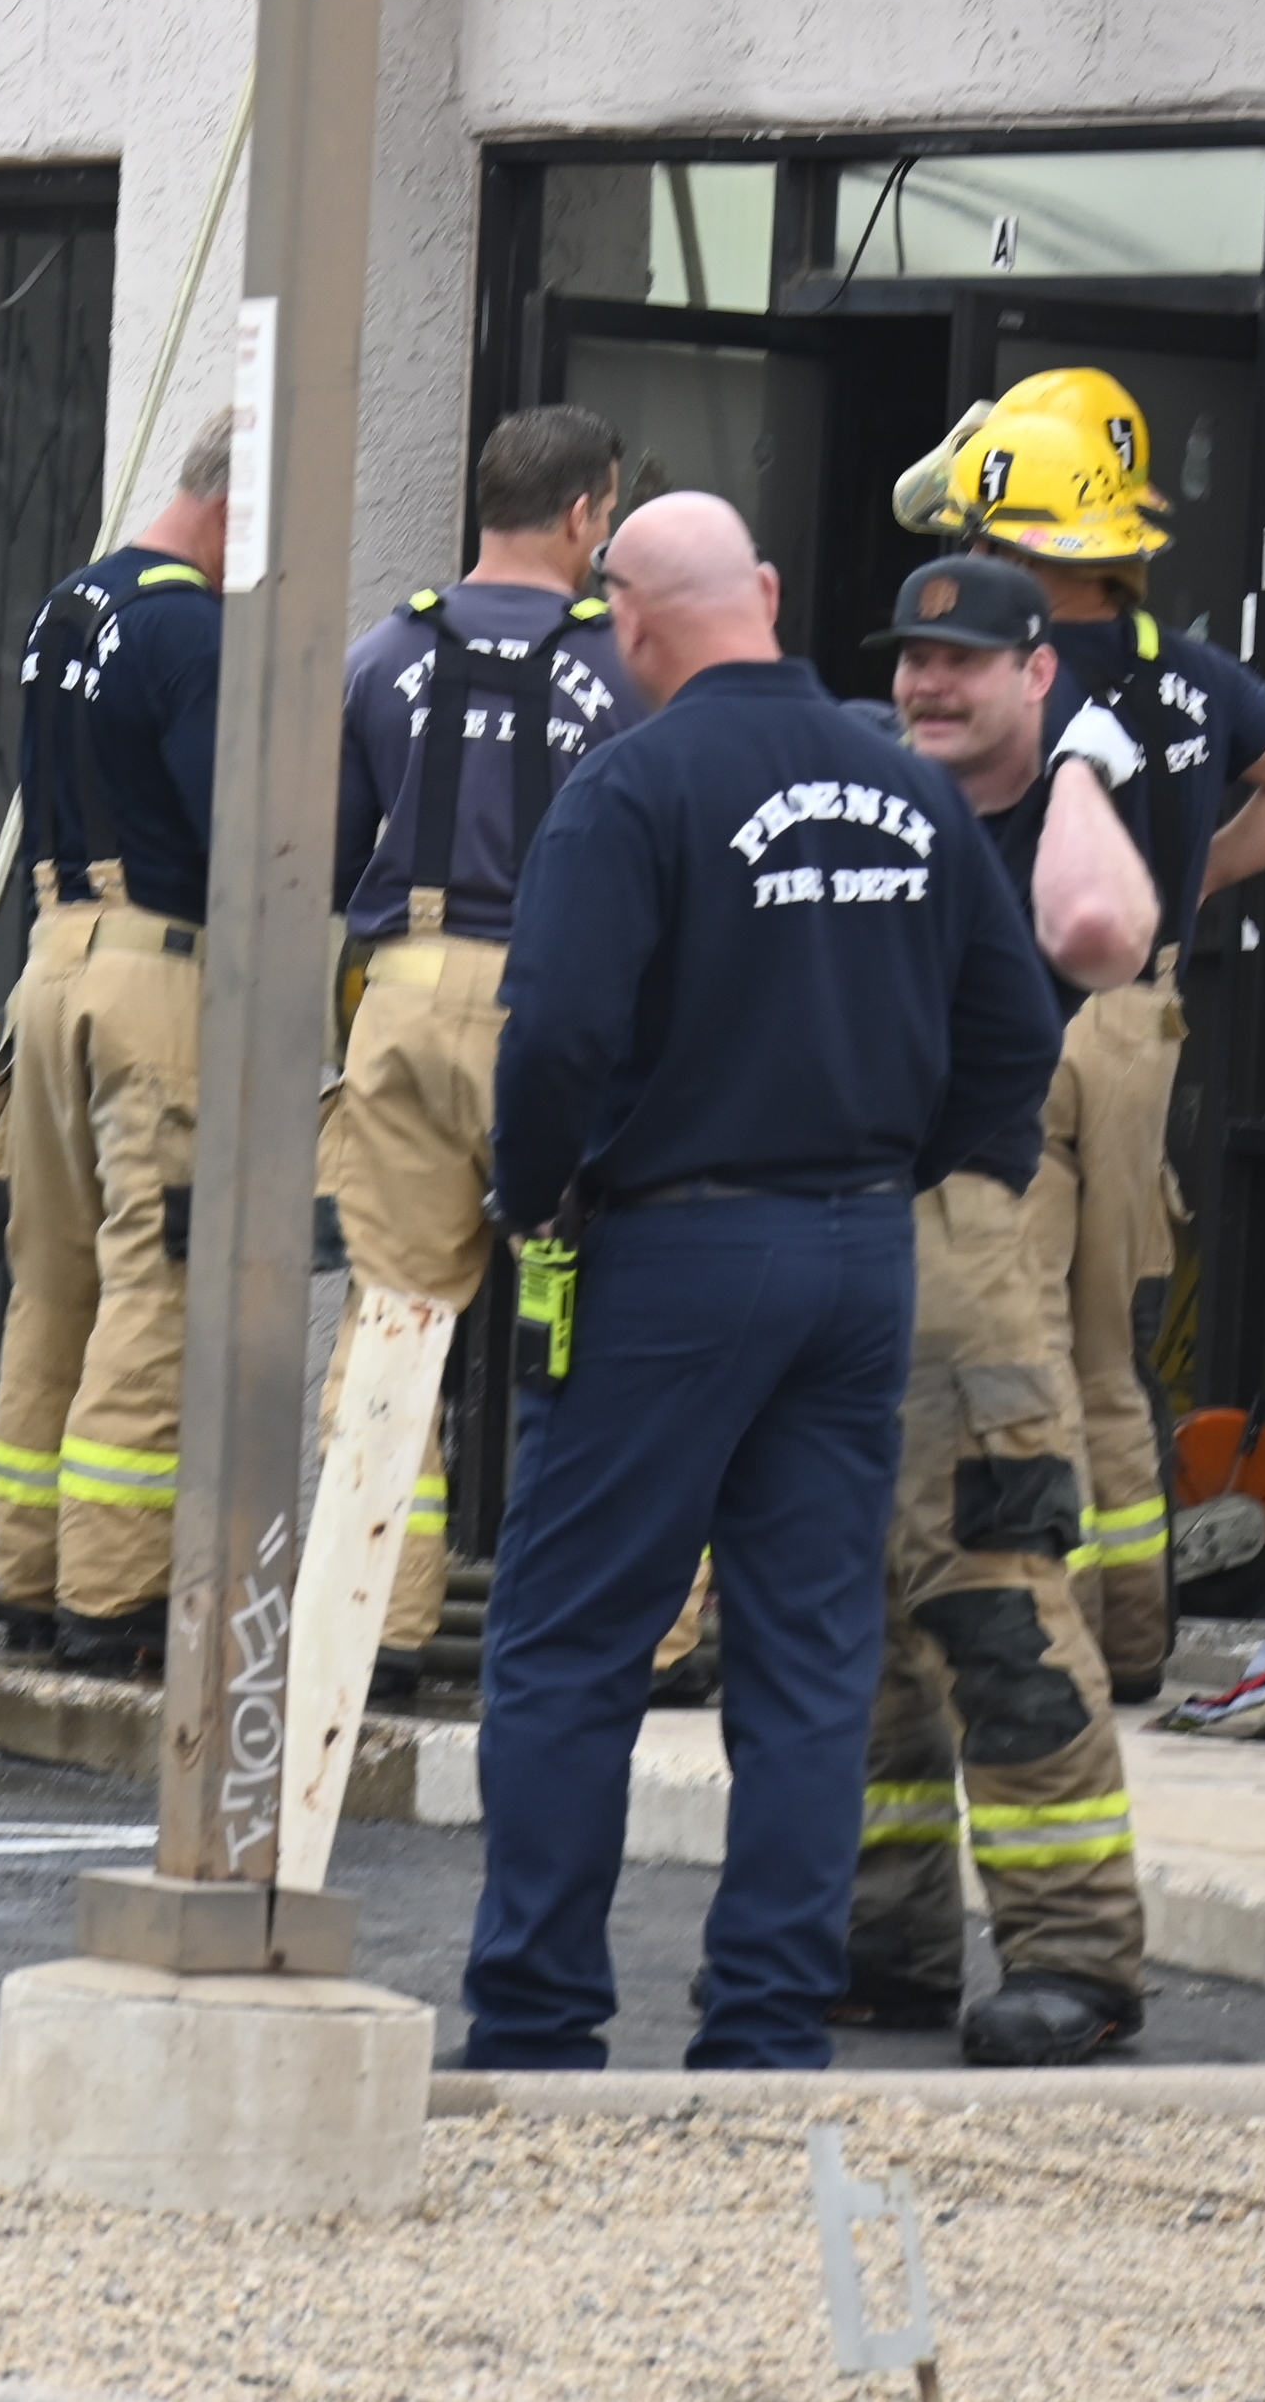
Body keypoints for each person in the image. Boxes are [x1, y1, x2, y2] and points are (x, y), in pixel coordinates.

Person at [460, 493, 1062, 2072]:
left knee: (572, 1644)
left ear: (629, 621)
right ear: (771, 594)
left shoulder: (631, 787)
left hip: (669, 1250)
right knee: (811, 1658)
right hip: (859, 1255)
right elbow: (1018, 1032)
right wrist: (901, 1160)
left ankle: (537, 2019)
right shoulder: (909, 787)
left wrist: (535, 1195)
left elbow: (558, 1037)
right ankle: (769, 2026)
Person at [949, 374, 1265, 1698]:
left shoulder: (1010, 673)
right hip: (1147, 1022)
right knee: (1110, 1349)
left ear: (1021, 542)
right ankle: (1135, 1641)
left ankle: (1052, 1633)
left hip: (1026, 1015)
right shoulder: (1186, 672)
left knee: (1016, 1336)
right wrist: (1193, 878)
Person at [847, 551, 1163, 2064]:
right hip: (846, 1227)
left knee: (995, 1602)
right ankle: (882, 1939)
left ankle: (1078, 1957)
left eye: (965, 661)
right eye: (914, 659)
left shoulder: (1064, 821)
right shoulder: (867, 793)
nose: (927, 682)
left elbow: (1099, 934)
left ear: (1038, 673)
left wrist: (1081, 759)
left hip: (970, 1248)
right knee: (851, 1619)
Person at [323, 404, 642, 1701]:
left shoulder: (381, 653)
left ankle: (374, 1628)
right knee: (605, 1322)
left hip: (403, 998)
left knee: (397, 1318)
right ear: (582, 515)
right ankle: (648, 1637)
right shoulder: (625, 664)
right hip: (563, 1011)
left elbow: (331, 859)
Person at [0, 411, 229, 1674]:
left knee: (53, 1280)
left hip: (51, 961)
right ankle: (115, 1597)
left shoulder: (66, 607)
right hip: (155, 976)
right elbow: (238, 822)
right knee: (154, 1284)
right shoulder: (193, 629)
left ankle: (31, 1579)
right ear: (240, 507)